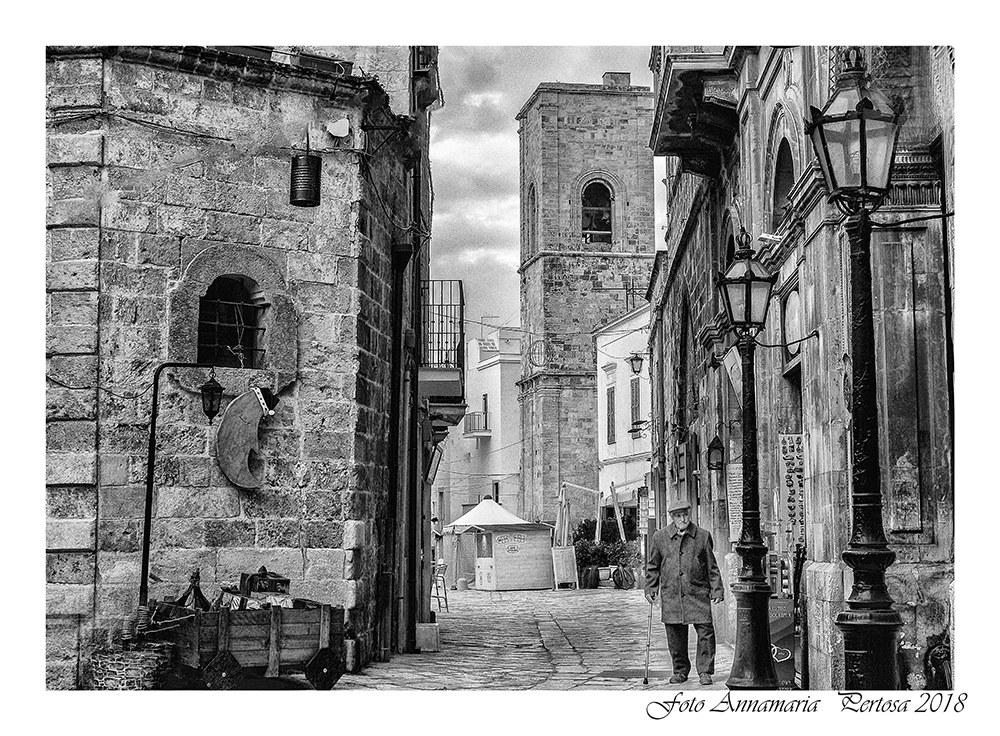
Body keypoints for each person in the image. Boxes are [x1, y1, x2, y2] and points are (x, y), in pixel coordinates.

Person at [644, 498, 724, 685]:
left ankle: (705, 671)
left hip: (697, 592)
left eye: (685, 514)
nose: (683, 519)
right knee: (675, 634)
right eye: (678, 516)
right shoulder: (660, 537)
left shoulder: (703, 536)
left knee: (705, 632)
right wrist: (650, 587)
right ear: (672, 517)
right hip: (671, 593)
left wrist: (717, 589)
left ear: (690, 514)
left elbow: (712, 567)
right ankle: (680, 671)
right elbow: (653, 566)